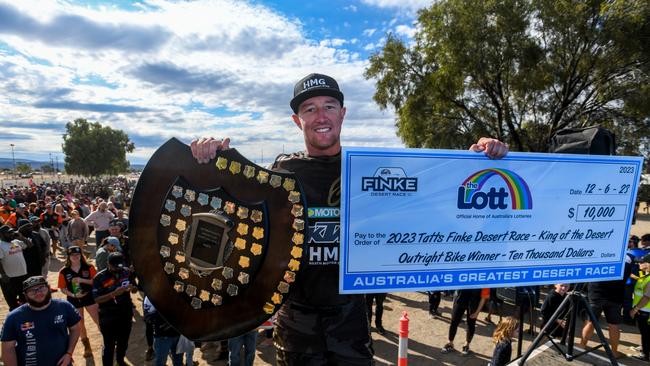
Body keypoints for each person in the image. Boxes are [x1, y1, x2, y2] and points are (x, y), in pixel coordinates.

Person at [191, 72, 509, 365]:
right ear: (295, 120)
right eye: (310, 109)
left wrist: (475, 161)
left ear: (342, 114)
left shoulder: (371, 170)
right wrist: (210, 161)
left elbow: (437, 203)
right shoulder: (281, 174)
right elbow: (226, 216)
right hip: (295, 327)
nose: (321, 116)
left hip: (351, 324)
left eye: (329, 106)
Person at [0, 275, 81, 366]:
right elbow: (8, 349)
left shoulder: (64, 306)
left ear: (49, 288)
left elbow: (75, 328)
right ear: (25, 295)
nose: (38, 293)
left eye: (41, 288)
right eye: (32, 290)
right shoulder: (14, 317)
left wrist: (69, 353)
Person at [580, 253, 632, 358]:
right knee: (613, 325)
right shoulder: (627, 258)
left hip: (597, 293)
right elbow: (626, 277)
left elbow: (589, 272)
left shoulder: (600, 253)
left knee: (590, 321)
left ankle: (582, 345)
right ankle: (614, 352)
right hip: (615, 295)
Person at [92, 252, 137, 366]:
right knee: (109, 345)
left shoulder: (126, 272)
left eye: (119, 266)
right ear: (108, 264)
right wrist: (113, 294)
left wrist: (133, 288)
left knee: (123, 342)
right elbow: (97, 299)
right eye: (115, 266)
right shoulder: (100, 277)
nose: (118, 269)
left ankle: (120, 361)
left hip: (125, 313)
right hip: (108, 316)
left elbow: (135, 287)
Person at [58, 246, 99, 358]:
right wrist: (74, 295)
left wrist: (81, 280)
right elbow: (62, 288)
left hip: (90, 297)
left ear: (81, 255)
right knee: (80, 323)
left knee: (98, 319)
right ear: (68, 257)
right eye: (72, 255)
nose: (75, 257)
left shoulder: (89, 267)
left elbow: (96, 282)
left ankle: (109, 341)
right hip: (74, 300)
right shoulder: (64, 271)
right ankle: (86, 345)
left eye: (77, 254)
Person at [441, 288, 488, 355]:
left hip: (474, 303)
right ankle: (450, 343)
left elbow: (484, 297)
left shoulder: (484, 279)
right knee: (454, 321)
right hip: (460, 300)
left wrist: (477, 312)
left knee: (471, 324)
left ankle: (466, 345)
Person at [143, 296, 183, 366]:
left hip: (178, 335)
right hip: (163, 337)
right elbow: (148, 318)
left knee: (178, 362)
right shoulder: (150, 296)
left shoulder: (177, 291)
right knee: (160, 363)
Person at [0, 225, 29, 310]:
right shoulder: (0, 245)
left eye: (12, 231)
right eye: (9, 233)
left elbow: (29, 245)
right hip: (9, 278)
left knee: (25, 299)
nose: (12, 234)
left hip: (23, 275)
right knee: (12, 302)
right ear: (1, 235)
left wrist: (21, 237)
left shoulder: (16, 241)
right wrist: (3, 274)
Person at [630, 253, 650, 361]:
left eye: (641, 262)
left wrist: (635, 309)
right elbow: (639, 279)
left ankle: (645, 355)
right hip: (644, 311)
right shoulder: (646, 275)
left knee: (646, 334)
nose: (639, 264)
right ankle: (644, 348)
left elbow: (647, 297)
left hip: (645, 311)